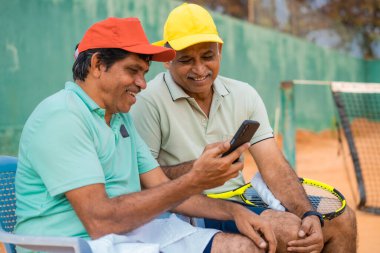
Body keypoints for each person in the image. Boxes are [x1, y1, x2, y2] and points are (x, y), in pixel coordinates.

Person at [14, 17, 279, 253]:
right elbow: (99, 221)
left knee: (246, 247)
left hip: (127, 234)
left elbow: (163, 188)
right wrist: (195, 179)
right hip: (73, 244)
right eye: (133, 70)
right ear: (97, 64)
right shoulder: (63, 117)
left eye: (144, 73)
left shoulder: (119, 118)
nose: (142, 83)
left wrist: (235, 212)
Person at [130, 3, 357, 253]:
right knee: (289, 231)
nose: (199, 69)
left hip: (241, 198)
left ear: (220, 51)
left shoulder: (244, 94)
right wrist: (199, 170)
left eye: (207, 56)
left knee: (342, 221)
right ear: (167, 58)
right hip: (185, 208)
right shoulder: (146, 101)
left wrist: (308, 213)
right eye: (185, 60)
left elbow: (274, 166)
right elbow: (145, 182)